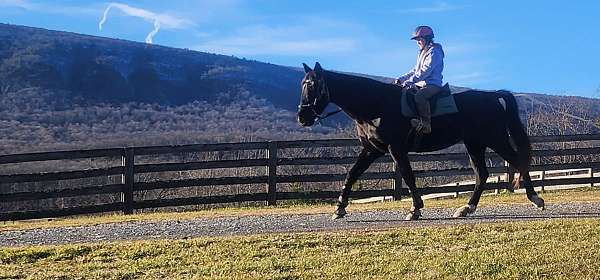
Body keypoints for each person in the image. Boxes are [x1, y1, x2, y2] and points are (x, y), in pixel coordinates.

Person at [394, 25, 445, 134]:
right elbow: (415, 70)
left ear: (427, 39)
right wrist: (401, 79)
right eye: (416, 40)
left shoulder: (434, 52)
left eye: (419, 39)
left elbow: (425, 71)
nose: (418, 42)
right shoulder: (423, 52)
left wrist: (409, 82)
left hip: (432, 85)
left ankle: (426, 124)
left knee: (420, 96)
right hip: (421, 84)